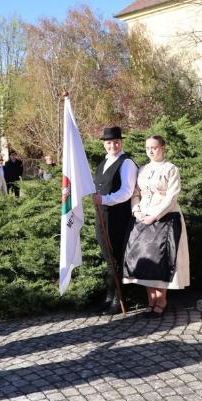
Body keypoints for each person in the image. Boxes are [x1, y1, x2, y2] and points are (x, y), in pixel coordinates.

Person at [122, 136, 190, 316]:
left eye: (154, 147)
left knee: (161, 260)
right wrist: (136, 211)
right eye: (147, 148)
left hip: (165, 218)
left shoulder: (171, 169)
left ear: (163, 148)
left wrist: (155, 215)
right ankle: (151, 301)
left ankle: (161, 301)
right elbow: (135, 193)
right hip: (142, 219)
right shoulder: (142, 170)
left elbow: (171, 196)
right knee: (146, 261)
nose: (151, 151)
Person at [92, 126, 138, 314]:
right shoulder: (104, 162)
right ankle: (109, 296)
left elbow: (126, 192)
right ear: (104, 144)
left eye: (116, 141)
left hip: (118, 217)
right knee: (107, 258)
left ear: (121, 142)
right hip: (102, 215)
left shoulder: (126, 163)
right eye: (109, 142)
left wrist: (105, 199)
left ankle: (119, 300)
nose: (113, 145)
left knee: (116, 258)